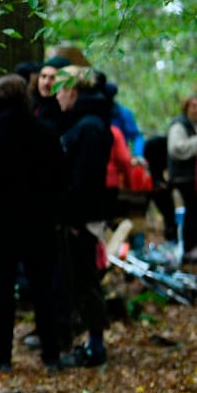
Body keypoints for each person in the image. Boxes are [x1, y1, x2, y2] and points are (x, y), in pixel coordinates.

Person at [0, 74, 70, 374]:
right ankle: (51, 354)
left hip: (1, 226)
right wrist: (51, 212)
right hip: (38, 223)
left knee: (2, 293)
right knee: (43, 289)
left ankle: (1, 355)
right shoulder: (44, 133)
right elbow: (61, 178)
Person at [56, 69, 117, 367]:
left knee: (86, 281)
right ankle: (90, 343)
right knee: (79, 280)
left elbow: (85, 180)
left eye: (60, 90)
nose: (56, 96)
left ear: (73, 91)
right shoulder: (84, 122)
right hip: (80, 217)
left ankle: (96, 347)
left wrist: (77, 220)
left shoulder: (90, 126)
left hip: (83, 219)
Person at [167, 97, 197, 261]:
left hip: (195, 177)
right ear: (186, 108)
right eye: (193, 106)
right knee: (192, 211)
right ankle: (190, 249)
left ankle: (192, 247)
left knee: (195, 211)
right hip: (184, 177)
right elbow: (176, 148)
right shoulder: (179, 125)